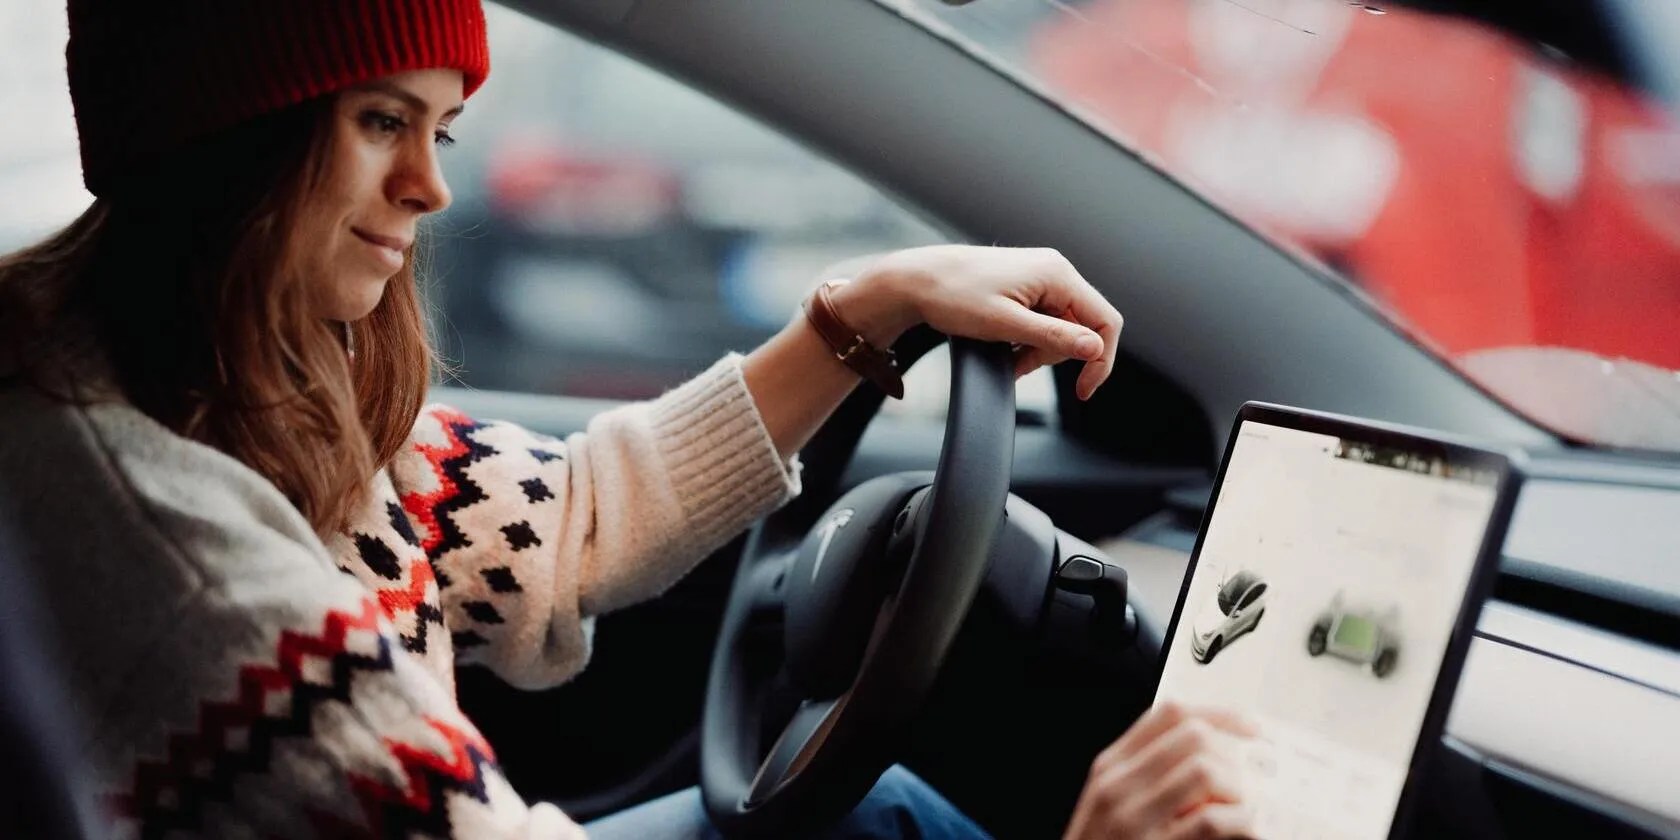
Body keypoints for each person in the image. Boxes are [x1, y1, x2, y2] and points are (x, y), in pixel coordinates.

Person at [0, 1, 1258, 837]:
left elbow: (565, 524)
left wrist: (858, 314)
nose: (431, 185)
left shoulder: (217, 380)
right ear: (229, 135)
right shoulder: (164, 536)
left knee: (883, 818)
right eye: (382, 121)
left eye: (441, 130)